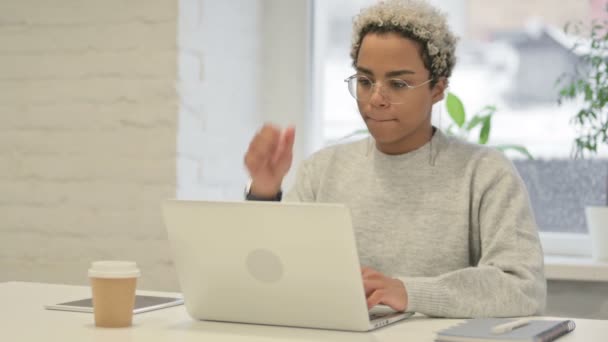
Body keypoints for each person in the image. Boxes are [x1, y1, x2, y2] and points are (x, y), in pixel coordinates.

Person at [243, 0, 546, 318]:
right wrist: (263, 192)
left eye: (398, 84)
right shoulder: (322, 170)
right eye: (364, 81)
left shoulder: (484, 174)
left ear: (438, 89)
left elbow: (522, 288)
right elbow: (269, 273)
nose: (375, 99)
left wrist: (406, 292)